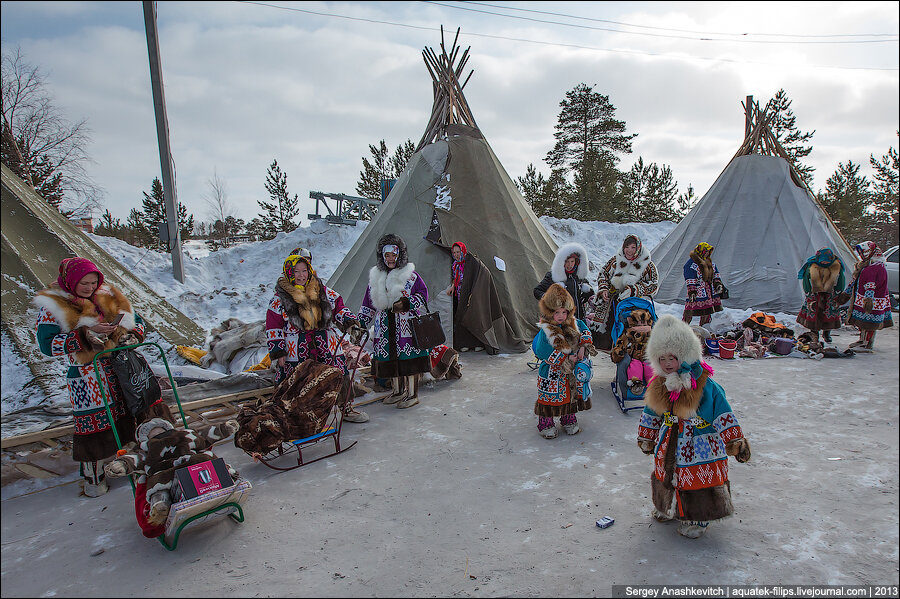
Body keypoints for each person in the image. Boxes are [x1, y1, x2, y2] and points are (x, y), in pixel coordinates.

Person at [33, 257, 170, 497]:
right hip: (89, 376)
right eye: (84, 283)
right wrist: (85, 336)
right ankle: (93, 478)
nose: (89, 287)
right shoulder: (54, 306)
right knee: (96, 426)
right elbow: (47, 345)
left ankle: (142, 462)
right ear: (71, 281)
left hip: (124, 367)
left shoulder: (109, 295)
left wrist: (130, 335)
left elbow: (136, 322)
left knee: (140, 412)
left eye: (93, 282)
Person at [636, 315, 751, 538]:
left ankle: (699, 516)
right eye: (662, 358)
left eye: (673, 357)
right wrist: (647, 436)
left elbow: (722, 410)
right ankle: (667, 507)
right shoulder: (659, 384)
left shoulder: (704, 384)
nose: (667, 363)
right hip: (669, 439)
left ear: (686, 354)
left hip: (700, 441)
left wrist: (734, 441)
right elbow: (651, 412)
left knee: (696, 477)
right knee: (667, 473)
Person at [265, 248, 369, 423]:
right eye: (296, 271)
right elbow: (273, 326)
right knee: (299, 382)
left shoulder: (321, 290)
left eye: (304, 270)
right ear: (289, 272)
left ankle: (346, 408)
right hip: (295, 348)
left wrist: (350, 322)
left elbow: (339, 307)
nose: (301, 275)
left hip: (324, 343)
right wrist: (278, 351)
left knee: (338, 375)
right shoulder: (279, 298)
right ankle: (301, 419)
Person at [358, 234, 431, 409]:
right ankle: (398, 391)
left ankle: (412, 394)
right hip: (384, 326)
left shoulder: (410, 276)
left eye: (394, 255)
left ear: (400, 255)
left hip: (405, 325)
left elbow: (423, 295)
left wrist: (406, 303)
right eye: (387, 255)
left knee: (408, 359)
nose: (391, 259)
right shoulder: (376, 278)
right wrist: (360, 323)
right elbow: (368, 303)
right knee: (390, 359)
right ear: (382, 257)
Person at [532, 283, 596, 439]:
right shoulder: (546, 329)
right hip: (552, 372)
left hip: (570, 372)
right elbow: (541, 350)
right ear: (549, 312)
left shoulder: (574, 323)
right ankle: (546, 422)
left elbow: (585, 331)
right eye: (556, 312)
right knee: (549, 398)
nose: (561, 316)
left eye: (564, 312)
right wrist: (565, 358)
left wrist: (583, 346)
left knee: (570, 396)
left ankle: (568, 418)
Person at [588, 234, 658, 350]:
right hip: (612, 299)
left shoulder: (647, 265)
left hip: (635, 303)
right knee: (603, 336)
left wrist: (634, 289)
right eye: (627, 247)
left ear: (638, 248)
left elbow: (653, 284)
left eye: (633, 248)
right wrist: (604, 288)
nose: (629, 251)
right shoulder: (616, 260)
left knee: (630, 327)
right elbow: (603, 274)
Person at [444, 241, 495, 354]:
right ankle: (465, 344)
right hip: (460, 295)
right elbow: (455, 278)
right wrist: (453, 286)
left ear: (463, 251)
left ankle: (477, 343)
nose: (457, 254)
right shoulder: (455, 265)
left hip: (471, 295)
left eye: (458, 252)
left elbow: (481, 274)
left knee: (473, 317)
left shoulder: (471, 263)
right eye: (454, 252)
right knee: (461, 318)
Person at [843, 241, 893, 350]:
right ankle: (862, 340)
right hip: (864, 298)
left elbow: (871, 285)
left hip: (872, 300)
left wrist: (868, 299)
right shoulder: (868, 265)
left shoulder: (875, 267)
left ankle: (867, 343)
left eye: (863, 252)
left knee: (868, 322)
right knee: (863, 322)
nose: (861, 255)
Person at [796, 248, 846, 343]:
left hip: (830, 295)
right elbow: (806, 279)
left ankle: (827, 332)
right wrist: (808, 293)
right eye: (822, 260)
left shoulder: (836, 266)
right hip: (815, 294)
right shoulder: (812, 266)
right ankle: (814, 333)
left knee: (828, 314)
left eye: (826, 260)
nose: (824, 262)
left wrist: (838, 292)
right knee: (814, 313)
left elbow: (841, 280)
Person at [681, 242, 725, 326]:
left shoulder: (709, 262)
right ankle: (683, 327)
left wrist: (717, 283)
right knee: (690, 310)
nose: (708, 253)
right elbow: (690, 277)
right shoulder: (692, 264)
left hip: (708, 289)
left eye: (709, 251)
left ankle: (704, 327)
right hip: (697, 289)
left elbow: (715, 274)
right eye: (707, 251)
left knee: (707, 310)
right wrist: (692, 291)